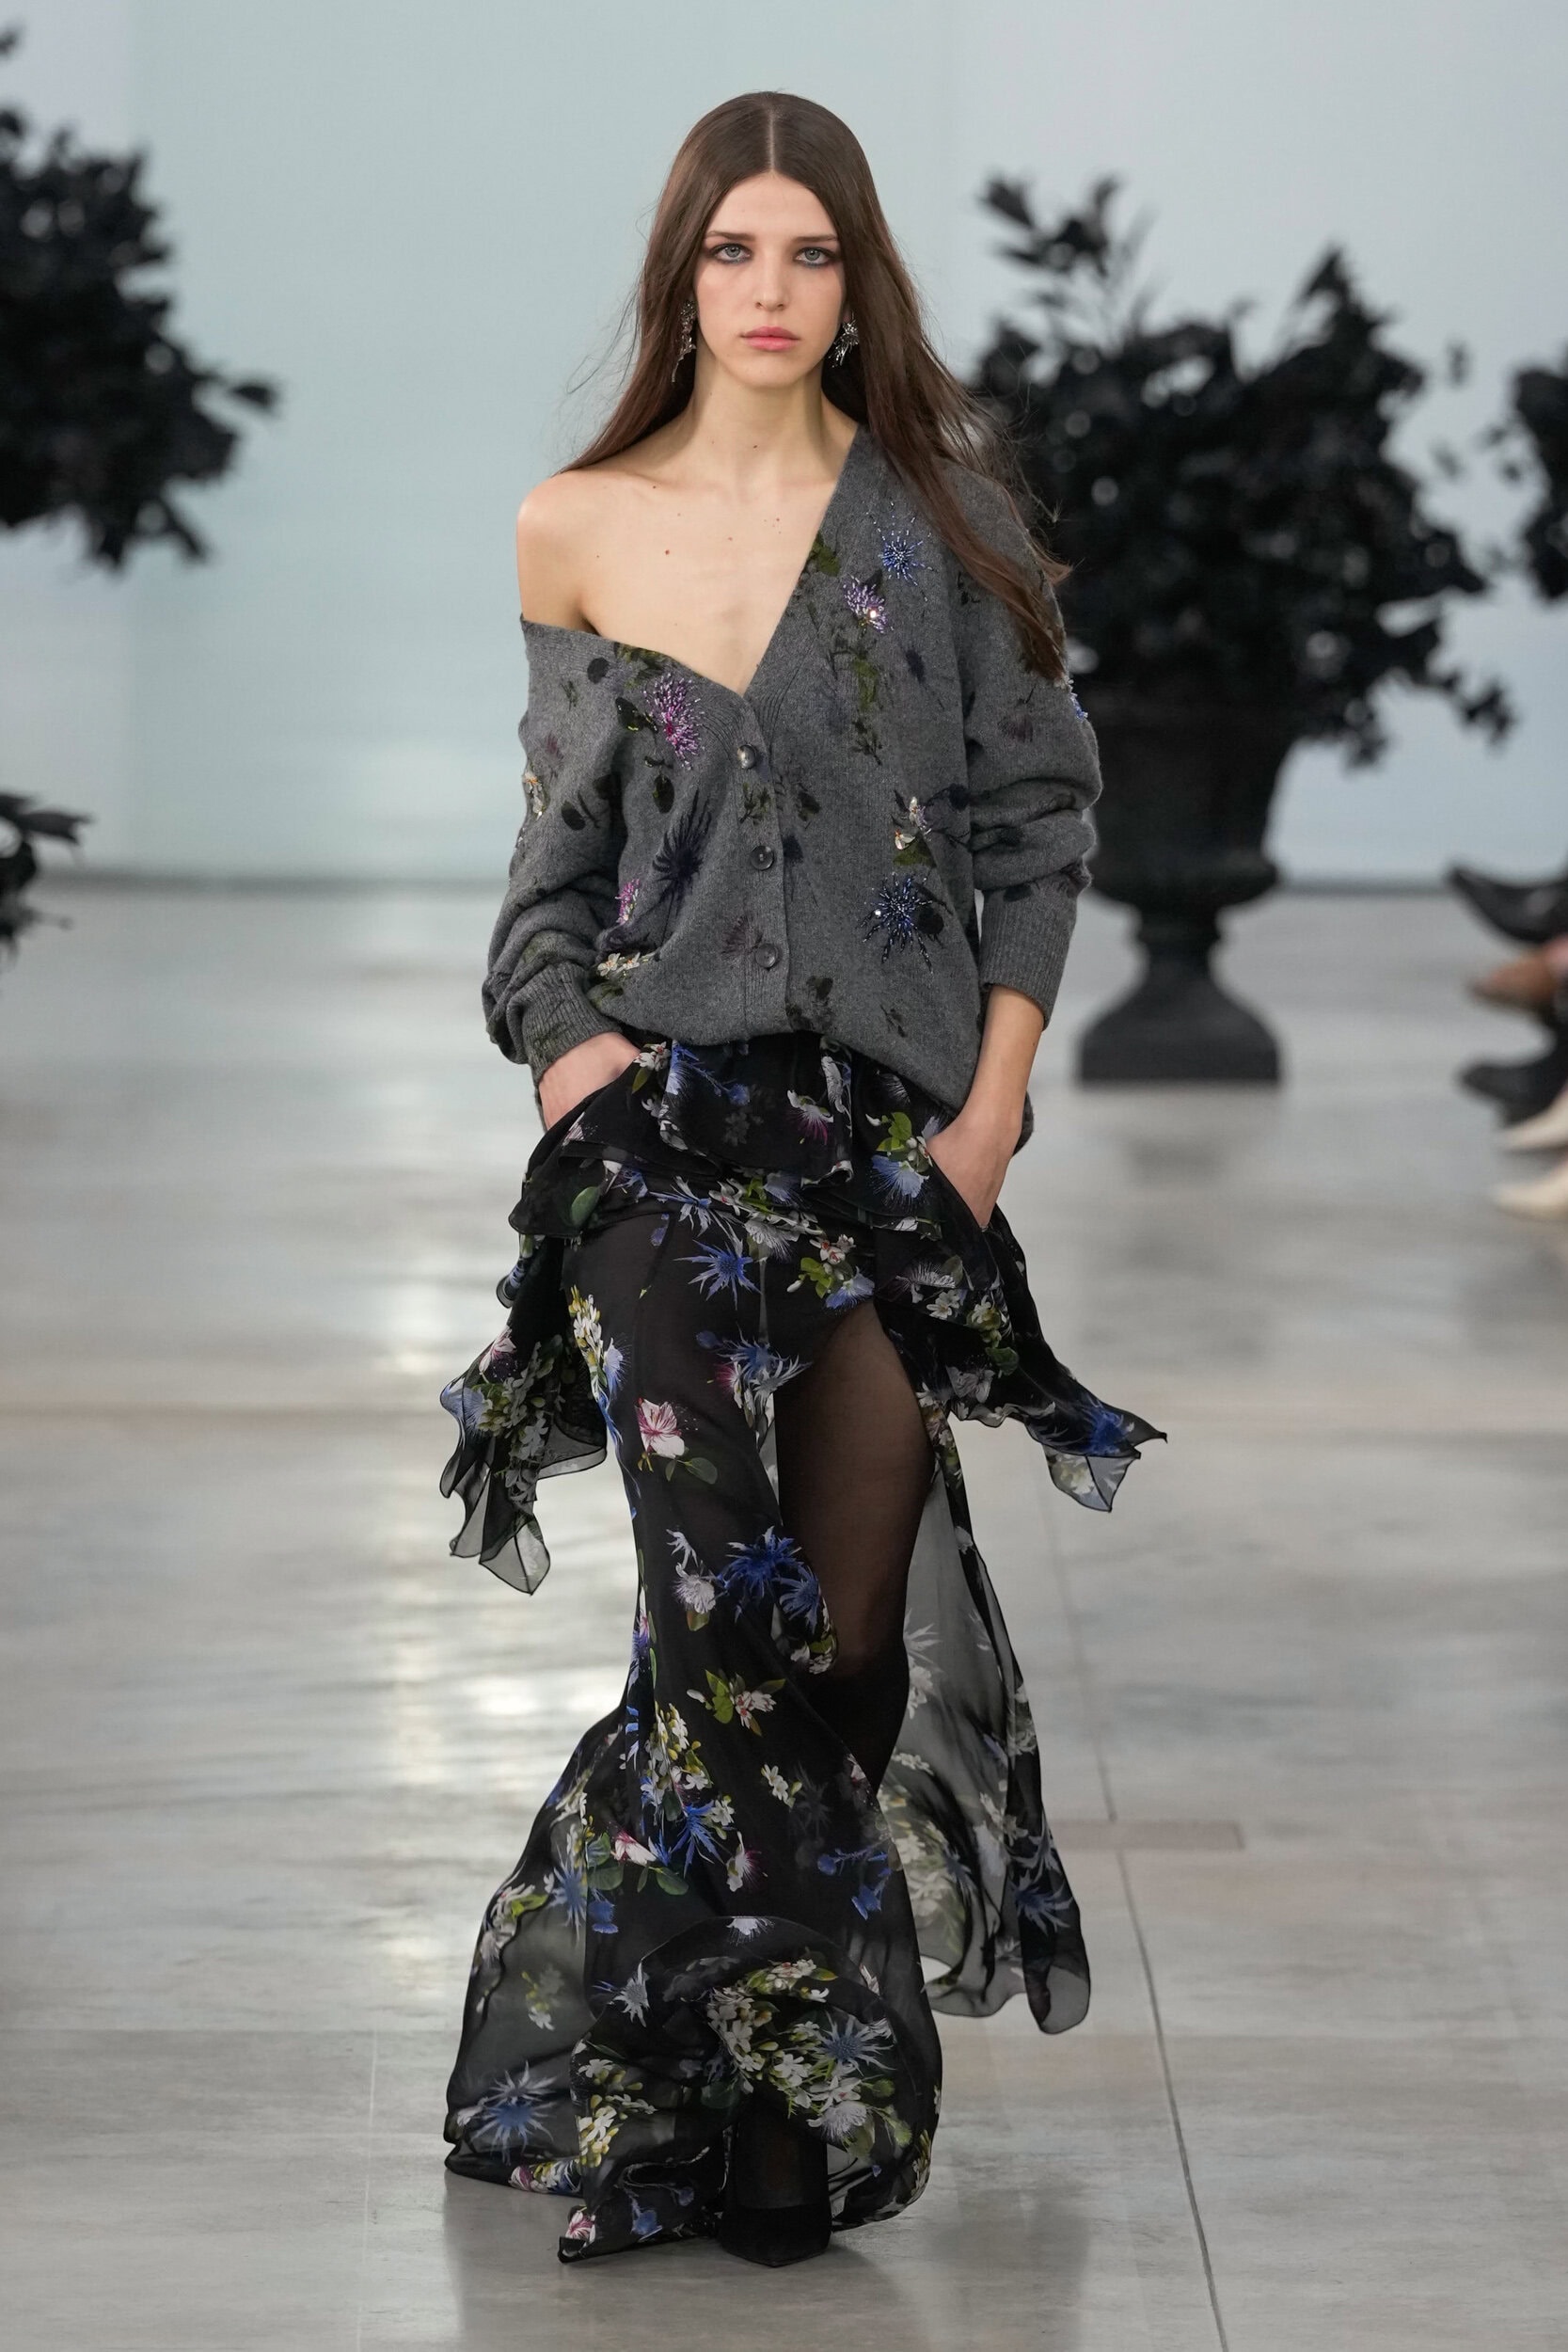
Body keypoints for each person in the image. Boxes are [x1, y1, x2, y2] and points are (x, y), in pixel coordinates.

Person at [436, 89, 1160, 2268]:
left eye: (810, 252)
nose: (769, 290)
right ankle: (780, 2096)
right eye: (732, 250)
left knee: (841, 1635)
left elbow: (1041, 828)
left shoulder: (943, 519)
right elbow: (553, 871)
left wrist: (990, 1117)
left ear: (860, 282)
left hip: (886, 1149)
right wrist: (576, 1067)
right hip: (659, 1142)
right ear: (683, 279)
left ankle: (665, 2039)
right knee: (715, 1614)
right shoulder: (580, 521)